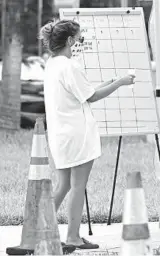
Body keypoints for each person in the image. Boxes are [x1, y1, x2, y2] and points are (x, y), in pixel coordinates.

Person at [39, 20, 136, 249]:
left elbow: (82, 92)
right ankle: (73, 237)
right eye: (79, 38)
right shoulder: (70, 65)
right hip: (78, 135)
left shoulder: (52, 65)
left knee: (63, 185)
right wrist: (120, 83)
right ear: (70, 40)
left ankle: (38, 232)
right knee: (78, 186)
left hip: (60, 134)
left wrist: (108, 83)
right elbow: (91, 97)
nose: (79, 43)